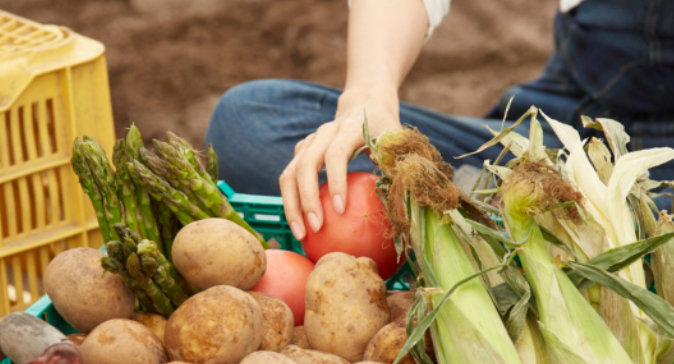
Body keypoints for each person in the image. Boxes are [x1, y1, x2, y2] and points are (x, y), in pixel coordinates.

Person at [206, 0, 674, 242]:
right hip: (574, 109)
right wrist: (369, 97)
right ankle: (490, 206)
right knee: (249, 125)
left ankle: (486, 215)